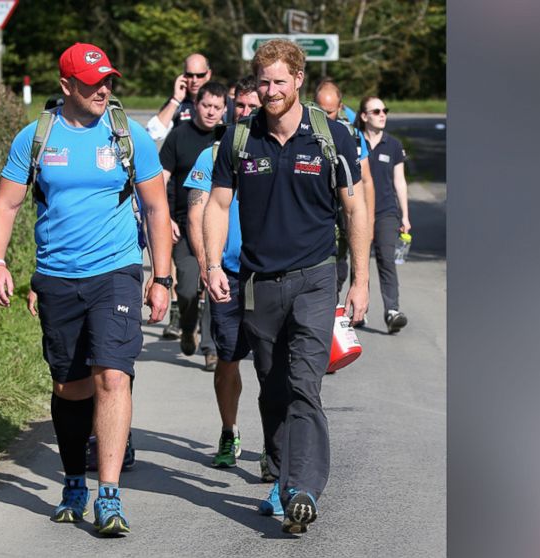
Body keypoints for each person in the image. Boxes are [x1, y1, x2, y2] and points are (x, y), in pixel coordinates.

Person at [0, 42, 173, 536]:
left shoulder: (129, 136)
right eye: (93, 83)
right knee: (70, 386)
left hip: (116, 271)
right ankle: (73, 482)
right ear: (66, 85)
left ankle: (108, 495)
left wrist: (161, 277)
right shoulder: (36, 138)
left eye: (108, 79)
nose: (104, 89)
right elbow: (5, 205)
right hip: (56, 276)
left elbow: (156, 208)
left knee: (114, 375)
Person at [204, 39, 370, 534]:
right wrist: (213, 265)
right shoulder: (239, 139)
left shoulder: (332, 136)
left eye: (280, 81)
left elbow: (355, 207)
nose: (271, 90)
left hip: (316, 278)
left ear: (299, 80)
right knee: (273, 388)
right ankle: (279, 474)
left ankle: (302, 489)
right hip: (258, 283)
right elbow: (216, 206)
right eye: (263, 81)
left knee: (304, 384)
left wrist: (360, 281)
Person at [183, 75, 260, 468]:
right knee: (227, 359)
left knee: (272, 363)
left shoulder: (273, 152)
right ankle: (229, 431)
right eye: (240, 106)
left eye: (252, 106)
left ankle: (276, 450)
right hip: (226, 274)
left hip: (266, 276)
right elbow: (196, 213)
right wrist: (206, 266)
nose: (245, 113)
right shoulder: (211, 156)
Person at [159, 81, 228, 370]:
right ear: (196, 105)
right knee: (187, 287)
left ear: (225, 109)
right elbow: (160, 179)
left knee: (215, 285)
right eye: (206, 105)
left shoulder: (228, 137)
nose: (211, 112)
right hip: (184, 226)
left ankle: (211, 348)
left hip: (219, 225)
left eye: (217, 107)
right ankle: (188, 327)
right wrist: (166, 218)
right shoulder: (178, 136)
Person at [314, 79, 375, 304]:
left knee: (339, 271)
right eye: (320, 110)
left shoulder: (352, 136)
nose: (325, 117)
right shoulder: (303, 132)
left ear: (340, 108)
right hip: (315, 217)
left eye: (330, 112)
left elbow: (367, 181)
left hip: (344, 214)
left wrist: (369, 222)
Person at [356, 96, 410, 333]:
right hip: (359, 211)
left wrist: (405, 216)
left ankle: (392, 311)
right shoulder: (354, 142)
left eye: (384, 110)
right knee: (359, 262)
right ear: (364, 116)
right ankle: (359, 310)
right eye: (376, 111)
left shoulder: (394, 145)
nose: (382, 114)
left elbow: (400, 182)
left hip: (387, 212)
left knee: (386, 260)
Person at [146, 54, 233, 141]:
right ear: (183, 75)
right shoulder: (178, 102)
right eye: (190, 75)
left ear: (208, 74)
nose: (194, 80)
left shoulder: (224, 101)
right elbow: (154, 134)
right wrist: (176, 100)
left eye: (199, 75)